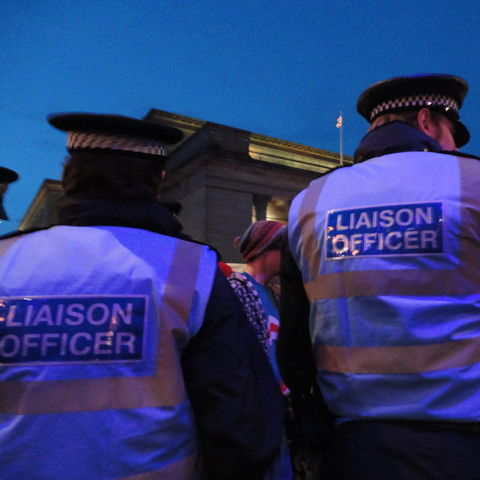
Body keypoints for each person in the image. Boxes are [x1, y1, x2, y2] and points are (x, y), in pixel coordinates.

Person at [278, 74, 480, 479]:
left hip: (351, 443)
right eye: (453, 134)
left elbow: (295, 339)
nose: (453, 148)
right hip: (464, 445)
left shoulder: (309, 202)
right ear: (426, 120)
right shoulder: (478, 188)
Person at [0, 113, 282, 479]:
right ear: (158, 181)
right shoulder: (189, 266)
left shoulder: (6, 258)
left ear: (69, 176)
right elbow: (239, 417)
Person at [228, 220, 293, 480]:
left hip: (274, 407)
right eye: (284, 250)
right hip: (258, 411)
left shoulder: (270, 293)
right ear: (265, 250)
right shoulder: (238, 289)